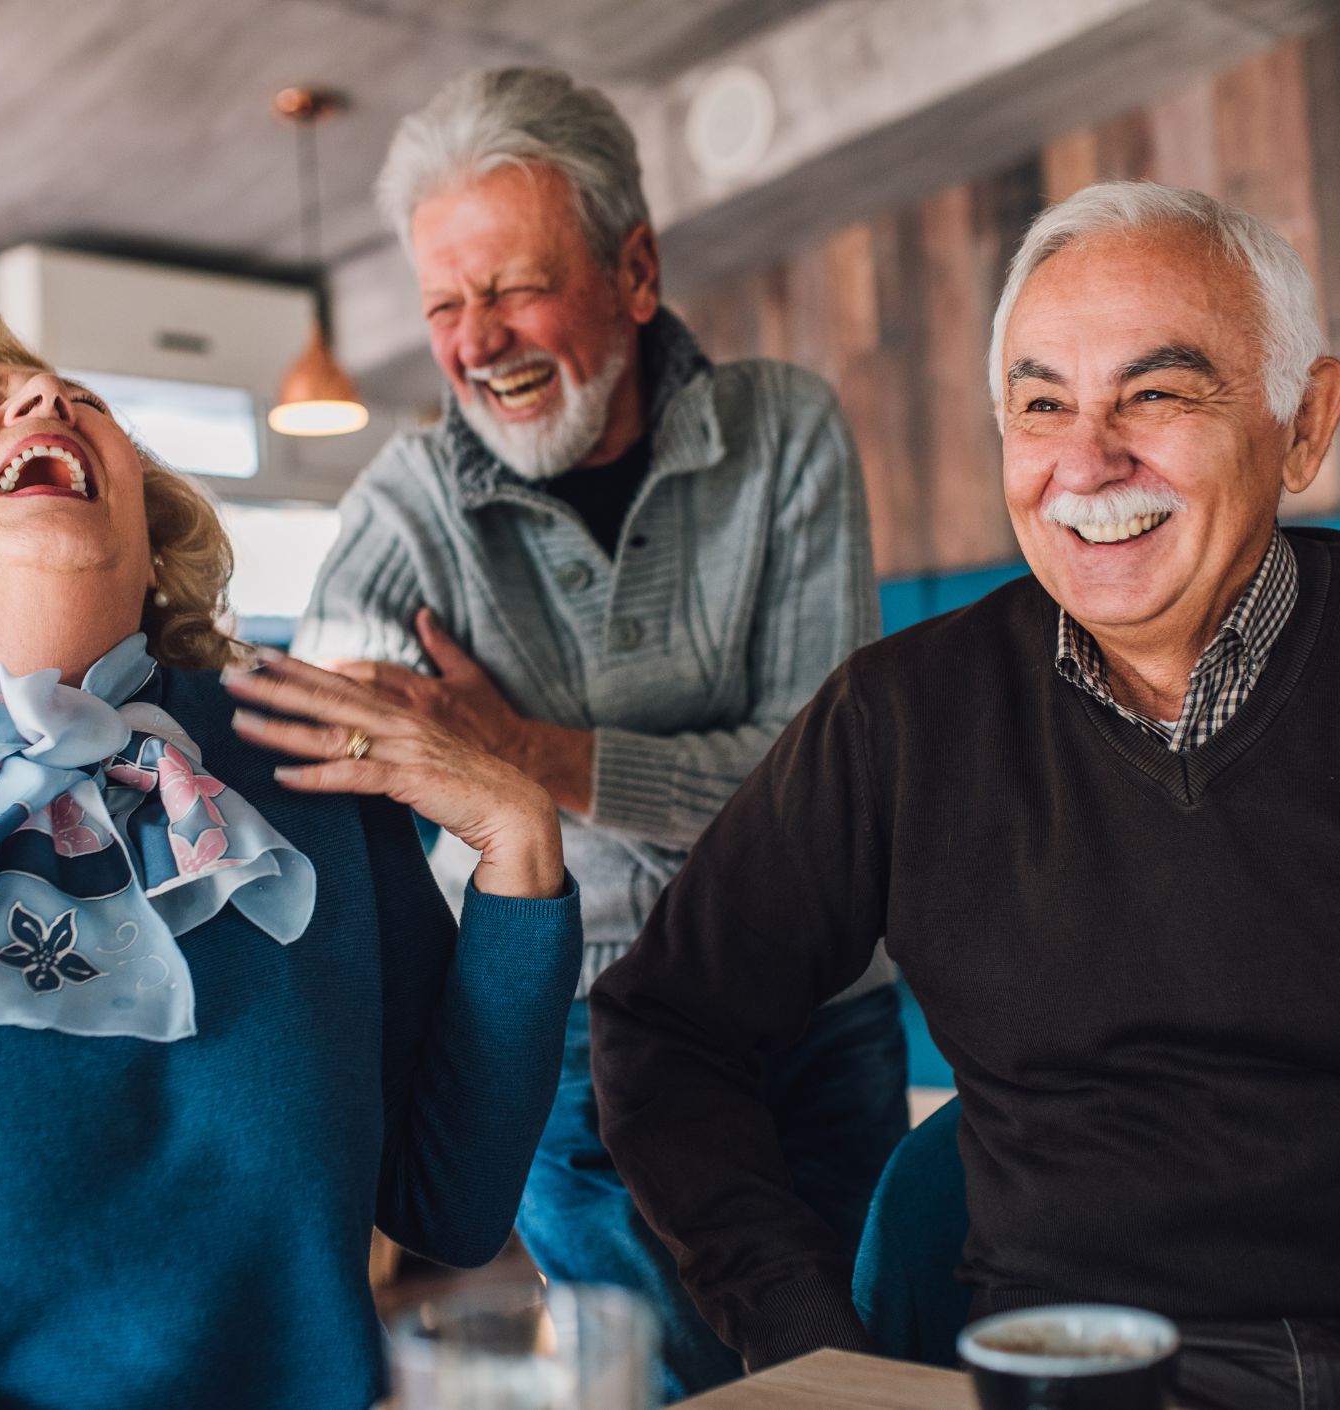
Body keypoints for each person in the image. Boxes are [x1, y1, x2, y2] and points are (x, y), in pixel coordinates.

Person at [589, 180, 1340, 1410]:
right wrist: (814, 1345)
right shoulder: (898, 717)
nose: (1085, 462)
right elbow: (665, 1026)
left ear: (1302, 425)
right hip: (1067, 1377)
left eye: (1155, 392)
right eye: (1040, 405)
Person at [0, 320, 581, 1410]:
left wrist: (518, 844)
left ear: (147, 541)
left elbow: (449, 1207)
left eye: (79, 397)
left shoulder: (307, 767)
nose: (42, 396)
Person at [292, 66, 904, 1399]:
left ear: (635, 270)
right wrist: (395, 725)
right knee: (661, 1374)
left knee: (863, 1363)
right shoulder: (408, 505)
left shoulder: (784, 430)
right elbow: (336, 710)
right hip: (576, 1026)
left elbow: (825, 792)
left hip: (819, 996)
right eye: (446, 305)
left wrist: (534, 754)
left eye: (513, 288)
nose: (478, 340)